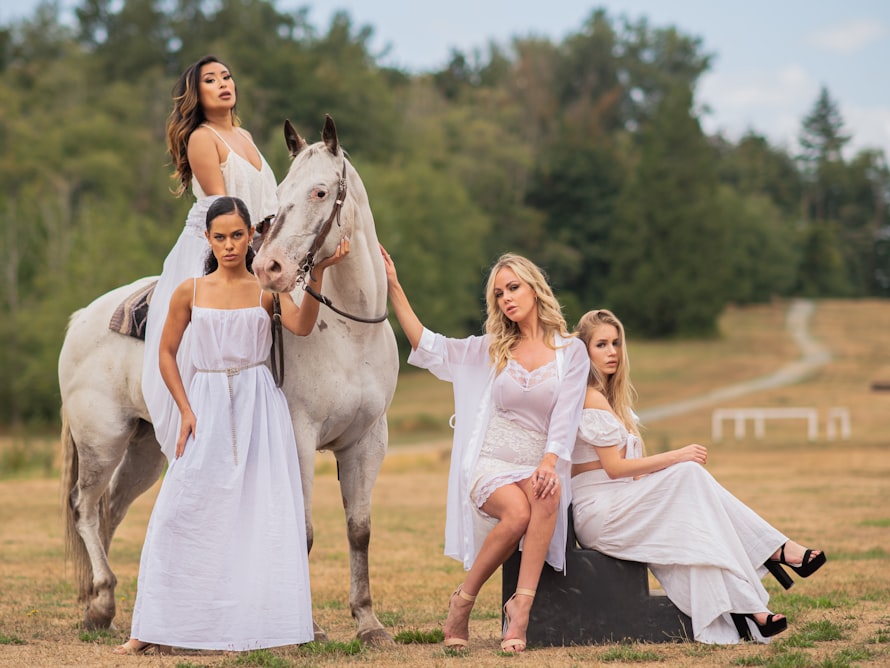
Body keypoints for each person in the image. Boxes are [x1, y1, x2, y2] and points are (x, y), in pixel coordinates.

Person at [114, 197, 348, 655]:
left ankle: (264, 621)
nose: (228, 245)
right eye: (219, 237)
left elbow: (300, 325)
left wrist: (316, 273)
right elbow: (164, 353)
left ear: (250, 237)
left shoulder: (265, 289)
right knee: (180, 511)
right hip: (205, 403)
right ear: (208, 238)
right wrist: (184, 409)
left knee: (263, 510)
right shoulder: (190, 291)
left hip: (259, 404)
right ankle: (150, 627)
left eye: (237, 235)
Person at [570, 309, 827, 644]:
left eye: (616, 342)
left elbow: (630, 477)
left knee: (695, 530)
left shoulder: (613, 401)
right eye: (601, 344)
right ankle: (775, 549)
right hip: (599, 514)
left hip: (622, 503)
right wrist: (676, 456)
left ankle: (751, 610)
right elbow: (615, 469)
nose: (612, 351)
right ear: (584, 352)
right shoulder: (590, 399)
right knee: (688, 471)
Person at [381, 249, 589, 653]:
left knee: (548, 493)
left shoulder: (571, 352)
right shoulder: (492, 348)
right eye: (498, 294)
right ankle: (464, 600)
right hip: (491, 461)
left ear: (535, 289)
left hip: (538, 461)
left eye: (513, 288)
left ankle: (520, 609)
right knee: (517, 513)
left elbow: (567, 413)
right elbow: (431, 347)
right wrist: (394, 287)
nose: (506, 298)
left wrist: (549, 462)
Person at [142, 54, 280, 460]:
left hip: (258, 240)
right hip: (221, 243)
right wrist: (249, 247)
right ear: (196, 95)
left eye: (227, 76)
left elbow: (267, 200)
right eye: (211, 80)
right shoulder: (203, 138)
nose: (224, 83)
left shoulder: (246, 135)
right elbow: (223, 210)